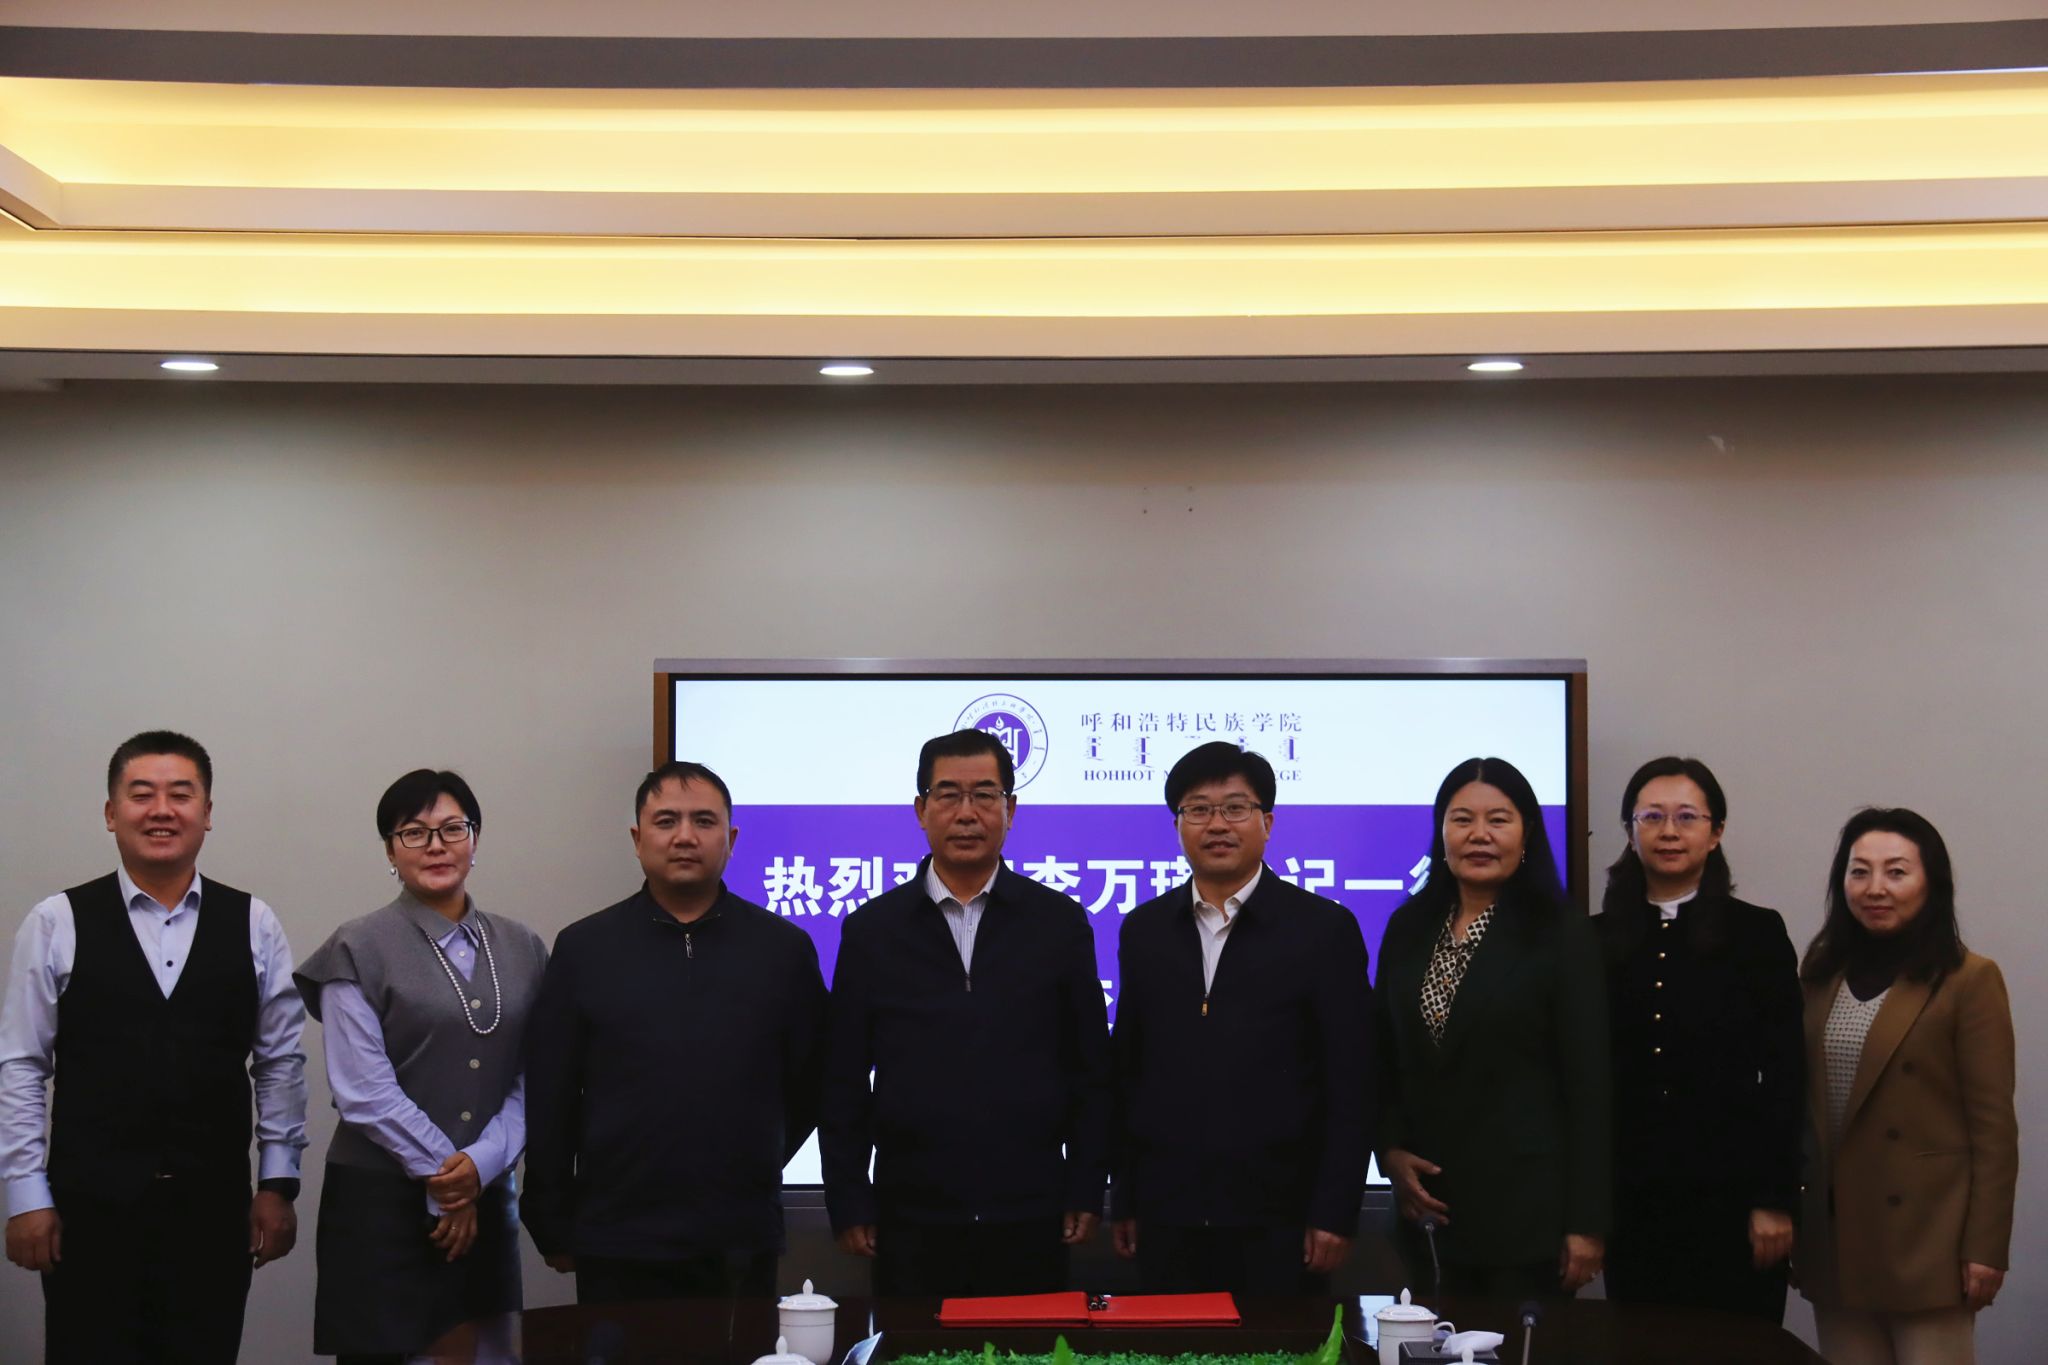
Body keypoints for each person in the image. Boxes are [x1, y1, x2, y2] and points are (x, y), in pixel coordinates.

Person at [0, 730, 308, 1364]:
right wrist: (25, 1193)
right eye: (141, 794)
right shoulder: (56, 921)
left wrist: (278, 1185)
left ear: (207, 812)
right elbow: (22, 1066)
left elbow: (280, 1064)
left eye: (180, 795)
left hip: (213, 1212)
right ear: (111, 812)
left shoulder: (254, 923)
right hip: (88, 1212)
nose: (161, 810)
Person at [821, 728, 1112, 1297]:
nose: (966, 813)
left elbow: (1091, 1071)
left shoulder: (1058, 924)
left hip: (1031, 1208)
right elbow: (843, 1079)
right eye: (949, 795)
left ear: (1011, 809)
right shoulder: (873, 931)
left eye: (984, 795)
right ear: (921, 809)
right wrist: (849, 1197)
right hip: (910, 1212)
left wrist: (1085, 1185)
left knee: (1026, 1345)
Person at [523, 761, 826, 1304]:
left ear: (731, 839)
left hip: (738, 1232)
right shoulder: (584, 949)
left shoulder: (783, 950)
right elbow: (552, 1095)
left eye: (704, 821)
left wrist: (752, 1157)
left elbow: (812, 1083)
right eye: (666, 821)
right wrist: (550, 1214)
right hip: (617, 1234)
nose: (685, 836)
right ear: (638, 839)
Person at [293, 770, 548, 1364]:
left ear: (475, 839)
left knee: (488, 1353)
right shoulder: (356, 946)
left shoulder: (524, 947)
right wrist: (449, 1183)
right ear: (390, 850)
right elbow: (362, 1091)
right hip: (380, 1208)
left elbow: (537, 1077)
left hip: (488, 1196)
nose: (436, 845)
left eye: (452, 828)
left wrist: (479, 1169)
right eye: (414, 832)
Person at [1108, 741, 1373, 1295]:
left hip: (1282, 1218)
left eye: (1235, 808)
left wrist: (1335, 1209)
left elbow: (1351, 1083)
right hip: (1168, 1214)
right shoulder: (1145, 930)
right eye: (1198, 809)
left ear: (1267, 823)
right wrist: (1125, 1196)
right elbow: (1129, 1074)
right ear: (1177, 826)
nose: (1217, 824)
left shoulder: (1323, 930)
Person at [1374, 755, 1610, 1300]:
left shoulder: (1561, 933)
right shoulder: (1408, 927)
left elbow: (1590, 1086)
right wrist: (1388, 1150)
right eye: (1462, 819)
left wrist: (1587, 1223)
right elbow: (1382, 1055)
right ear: (1442, 833)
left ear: (1526, 834)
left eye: (1498, 820)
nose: (1479, 834)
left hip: (1526, 1219)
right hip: (1427, 1212)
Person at [1796, 808, 2016, 1365]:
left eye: (1896, 872)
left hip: (1927, 1238)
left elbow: (1994, 1130)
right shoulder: (1819, 974)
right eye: (1859, 871)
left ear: (1930, 883)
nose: (1875, 888)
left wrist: (1985, 1248)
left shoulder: (1968, 979)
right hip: (1837, 1236)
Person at [1592, 757, 1802, 1322]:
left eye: (1687, 817)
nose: (1669, 831)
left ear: (1716, 832)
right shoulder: (1595, 939)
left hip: (1734, 1197)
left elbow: (1786, 1075)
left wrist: (1775, 1199)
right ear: (1629, 830)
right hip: (1631, 1197)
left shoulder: (1757, 933)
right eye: (1652, 816)